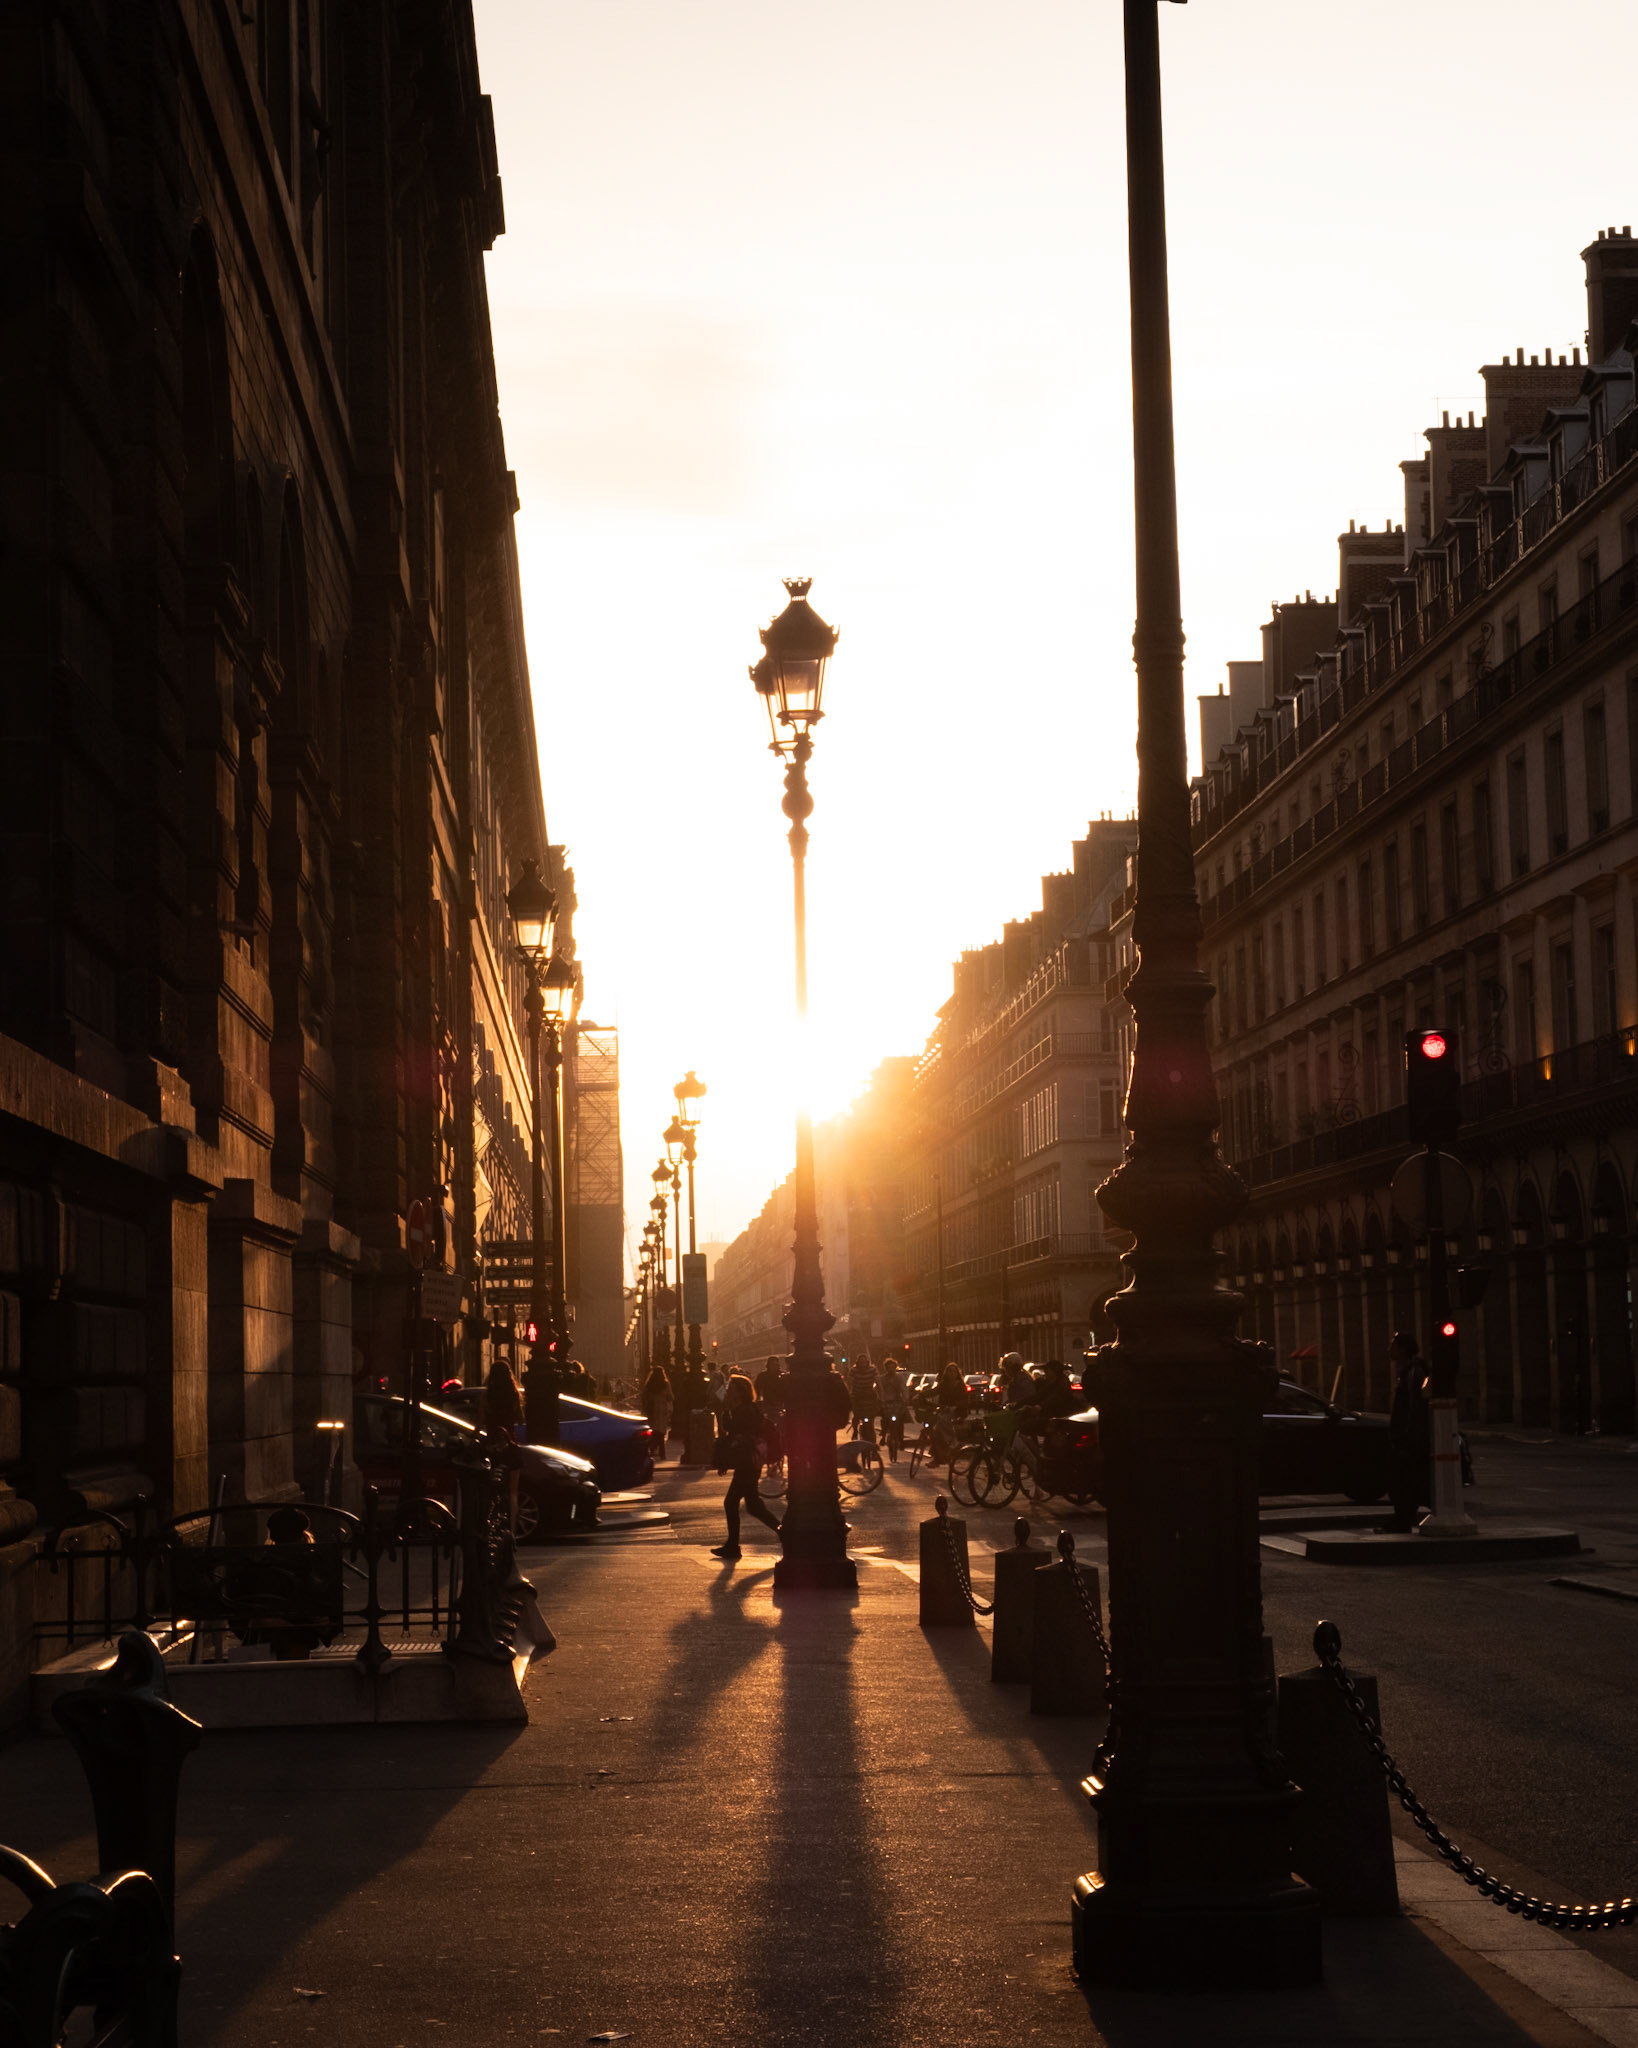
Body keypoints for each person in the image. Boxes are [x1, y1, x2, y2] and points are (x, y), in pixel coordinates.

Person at [710, 1374, 781, 1560]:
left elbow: (739, 1433)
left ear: (740, 1392)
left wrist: (725, 1414)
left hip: (748, 1461)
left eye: (732, 1387)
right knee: (754, 1505)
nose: (728, 1390)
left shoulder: (745, 1410)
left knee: (732, 1502)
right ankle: (784, 1533)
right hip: (748, 1461)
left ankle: (733, 1546)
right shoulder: (742, 1409)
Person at [1387, 1330, 1431, 1530]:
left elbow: (1414, 1408)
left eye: (1393, 1345)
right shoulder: (1407, 1371)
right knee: (1406, 1482)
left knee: (1403, 1482)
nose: (1389, 1349)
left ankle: (1403, 1521)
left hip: (1409, 1439)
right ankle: (1403, 1519)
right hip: (1407, 1437)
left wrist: (1406, 1438)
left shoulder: (1413, 1373)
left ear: (1403, 1349)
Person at [483, 1359, 525, 1533]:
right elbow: (521, 1419)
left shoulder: (487, 1395)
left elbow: (480, 1423)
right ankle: (512, 1532)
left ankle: (490, 1526)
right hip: (511, 1446)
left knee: (489, 1488)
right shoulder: (514, 1395)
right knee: (512, 1492)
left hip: (492, 1446)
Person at [877, 1355, 908, 1462]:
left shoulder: (899, 1377)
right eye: (888, 1367)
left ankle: (901, 1439)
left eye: (892, 1367)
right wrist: (881, 1400)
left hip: (897, 1402)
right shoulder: (881, 1379)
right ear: (885, 1368)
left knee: (900, 1421)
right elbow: (879, 1390)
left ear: (895, 1367)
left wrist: (905, 1399)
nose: (890, 1369)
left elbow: (903, 1388)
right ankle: (883, 1435)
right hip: (886, 1402)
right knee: (885, 1419)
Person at [642, 1361, 672, 1451]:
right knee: (661, 1431)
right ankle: (662, 1451)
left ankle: (652, 1447)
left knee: (653, 1429)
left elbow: (644, 1396)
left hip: (651, 1408)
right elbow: (670, 1396)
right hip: (662, 1409)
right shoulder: (665, 1384)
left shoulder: (649, 1384)